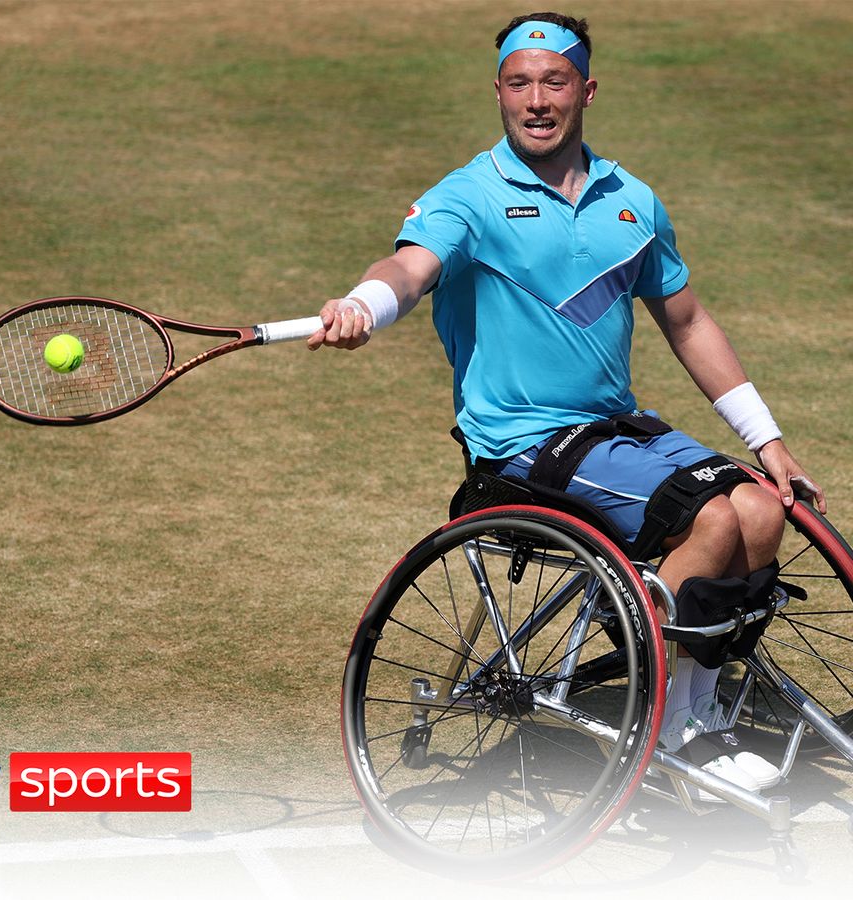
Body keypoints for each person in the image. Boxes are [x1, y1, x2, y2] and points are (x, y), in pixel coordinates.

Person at [307, 12, 826, 795]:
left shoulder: (633, 201)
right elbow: (409, 268)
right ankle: (678, 729)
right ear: (499, 93)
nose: (537, 100)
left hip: (614, 429)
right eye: (520, 83)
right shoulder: (469, 196)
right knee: (714, 518)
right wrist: (363, 304)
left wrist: (770, 442)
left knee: (759, 507)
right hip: (524, 444)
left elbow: (686, 321)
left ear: (586, 90)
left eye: (555, 82)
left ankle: (699, 712)